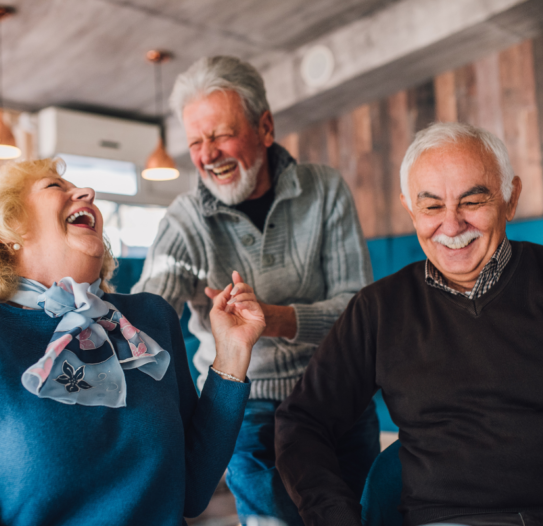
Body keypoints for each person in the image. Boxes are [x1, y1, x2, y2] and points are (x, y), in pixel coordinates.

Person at [274, 122, 543, 526]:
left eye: (472, 201)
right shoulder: (378, 309)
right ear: (411, 210)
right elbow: (301, 422)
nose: (452, 224)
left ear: (510, 198)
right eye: (431, 206)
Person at [0, 158, 265, 525]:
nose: (87, 192)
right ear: (7, 229)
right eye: (54, 187)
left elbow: (193, 491)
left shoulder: (149, 318)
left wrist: (232, 356)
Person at [133, 55, 380, 524]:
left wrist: (275, 318)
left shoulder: (324, 190)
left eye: (221, 134)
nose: (208, 155)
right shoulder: (185, 221)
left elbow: (358, 311)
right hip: (245, 405)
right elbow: (148, 309)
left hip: (337, 391)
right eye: (196, 142)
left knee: (364, 517)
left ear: (265, 127)